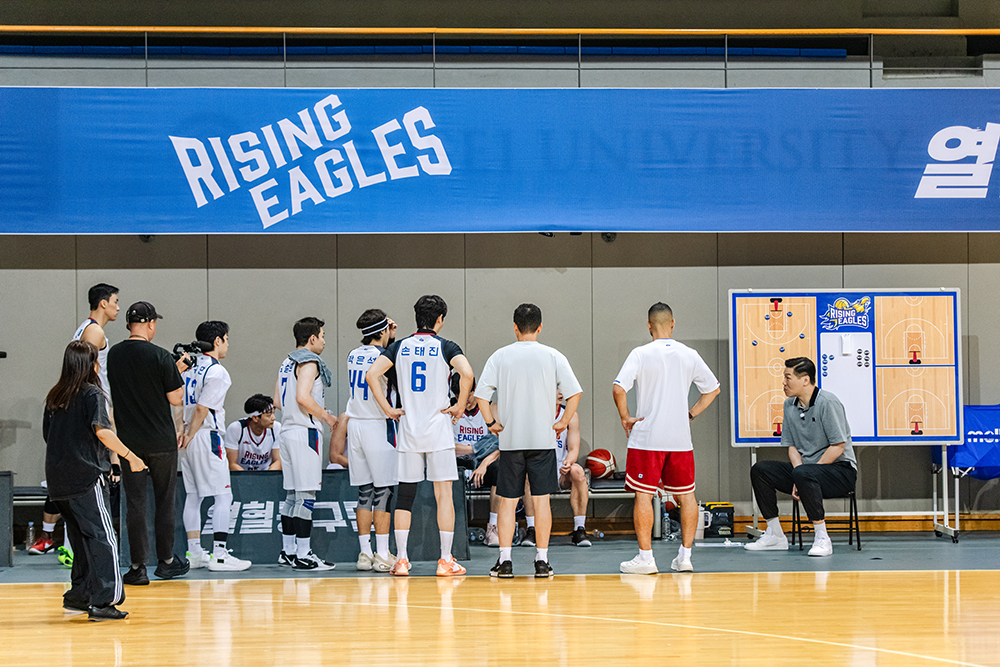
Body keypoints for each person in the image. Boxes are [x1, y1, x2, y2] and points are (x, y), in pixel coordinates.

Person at [366, 295, 474, 577]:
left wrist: (389, 408)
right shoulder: (446, 346)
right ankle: (445, 559)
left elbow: (371, 375)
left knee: (405, 496)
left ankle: (401, 560)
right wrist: (460, 405)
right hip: (438, 429)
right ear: (440, 320)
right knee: (444, 495)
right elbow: (467, 373)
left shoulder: (399, 346)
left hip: (409, 430)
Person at [476, 303, 583, 579]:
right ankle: (542, 561)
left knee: (507, 502)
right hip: (542, 441)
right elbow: (575, 394)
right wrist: (562, 421)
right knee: (542, 501)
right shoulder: (553, 355)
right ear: (540, 327)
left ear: (514, 327)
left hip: (511, 442)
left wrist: (490, 423)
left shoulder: (500, 356)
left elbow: (481, 396)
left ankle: (505, 561)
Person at [613, 302, 720, 575]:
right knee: (688, 497)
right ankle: (685, 557)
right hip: (680, 440)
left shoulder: (640, 353)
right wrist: (691, 414)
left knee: (644, 497)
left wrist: (625, 416)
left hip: (647, 439)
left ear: (648, 325)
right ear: (673, 323)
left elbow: (618, 388)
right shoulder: (689, 354)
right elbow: (713, 389)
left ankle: (646, 558)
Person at [43, 340, 146, 621]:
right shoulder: (92, 394)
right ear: (91, 364)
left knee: (81, 539)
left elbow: (48, 436)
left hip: (58, 481)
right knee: (103, 538)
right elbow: (102, 431)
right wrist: (130, 457)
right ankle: (105, 600)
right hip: (85, 477)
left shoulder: (55, 396)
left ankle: (80, 595)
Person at [32, 283, 122, 561]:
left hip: (84, 406)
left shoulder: (84, 327)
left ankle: (72, 549)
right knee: (91, 488)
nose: (118, 307)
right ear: (103, 303)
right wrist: (120, 456)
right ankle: (78, 553)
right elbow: (87, 372)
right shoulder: (95, 330)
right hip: (92, 405)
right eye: (116, 301)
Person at [107, 301, 190, 584]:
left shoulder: (114, 355)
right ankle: (166, 561)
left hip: (129, 442)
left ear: (129, 324)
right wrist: (177, 372)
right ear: (151, 324)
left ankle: (137, 567)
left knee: (135, 504)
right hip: (161, 441)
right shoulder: (160, 356)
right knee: (165, 502)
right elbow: (175, 397)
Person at [745, 357, 857, 557]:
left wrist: (806, 473)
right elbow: (792, 447)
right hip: (805, 472)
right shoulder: (789, 405)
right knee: (760, 470)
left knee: (805, 473)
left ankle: (822, 538)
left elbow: (838, 447)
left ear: (805, 380)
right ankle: (775, 535)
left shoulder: (828, 402)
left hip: (840, 471)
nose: (784, 383)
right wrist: (798, 474)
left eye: (788, 377)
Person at [180, 321, 251, 572]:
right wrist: (192, 432)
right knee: (223, 495)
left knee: (193, 495)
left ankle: (196, 552)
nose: (228, 344)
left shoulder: (189, 367)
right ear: (218, 341)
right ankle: (220, 554)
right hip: (205, 434)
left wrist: (183, 431)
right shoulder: (217, 371)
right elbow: (203, 407)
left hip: (187, 436)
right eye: (227, 339)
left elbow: (178, 401)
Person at [274, 316, 338, 571]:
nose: (323, 341)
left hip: (287, 431)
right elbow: (302, 397)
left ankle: (288, 551)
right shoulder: (309, 361)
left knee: (292, 496)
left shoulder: (286, 362)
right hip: (305, 433)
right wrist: (325, 415)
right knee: (306, 497)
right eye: (322, 336)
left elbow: (277, 401)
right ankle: (304, 553)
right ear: (312, 338)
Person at [345, 309, 399, 573]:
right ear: (382, 330)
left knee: (364, 491)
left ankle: (364, 553)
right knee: (384, 492)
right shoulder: (383, 357)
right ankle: (382, 553)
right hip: (378, 424)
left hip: (355, 424)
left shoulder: (352, 354)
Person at [522, 390, 592, 548]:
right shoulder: (534, 415)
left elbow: (573, 449)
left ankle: (579, 529)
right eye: (556, 390)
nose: (561, 394)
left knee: (578, 472)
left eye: (562, 390)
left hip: (561, 468)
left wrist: (568, 462)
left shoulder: (570, 415)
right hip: (539, 466)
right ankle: (532, 529)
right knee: (526, 474)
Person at [452, 374, 501, 548]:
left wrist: (484, 463)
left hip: (483, 465)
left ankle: (493, 528)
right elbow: (445, 444)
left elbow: (500, 444)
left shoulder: (490, 408)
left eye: (468, 396)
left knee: (499, 469)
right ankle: (454, 531)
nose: (465, 402)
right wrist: (477, 448)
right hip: (458, 464)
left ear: (475, 389)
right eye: (460, 398)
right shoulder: (450, 409)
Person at [225, 394, 282, 472]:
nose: (273, 418)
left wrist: (266, 479)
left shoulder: (276, 428)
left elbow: (278, 461)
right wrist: (249, 481)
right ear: (255, 418)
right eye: (269, 415)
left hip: (266, 473)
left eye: (273, 413)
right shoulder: (236, 429)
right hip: (242, 475)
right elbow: (231, 464)